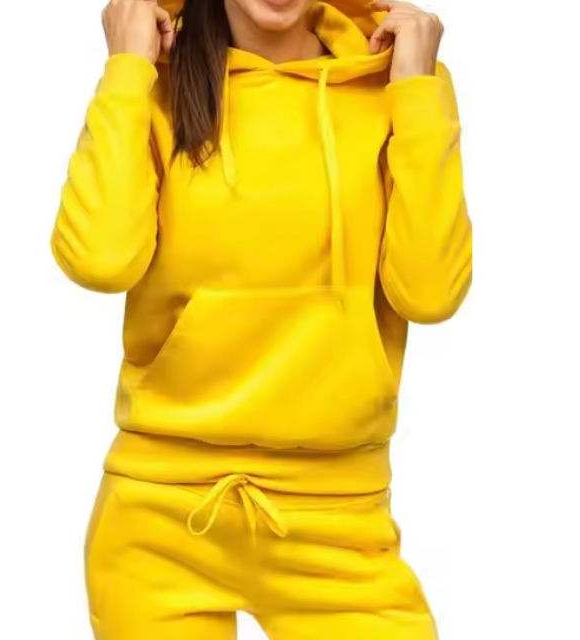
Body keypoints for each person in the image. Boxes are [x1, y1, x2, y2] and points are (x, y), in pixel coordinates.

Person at [50, 0, 472, 637]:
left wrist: (417, 91)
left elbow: (430, 292)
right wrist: (126, 70)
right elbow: (99, 260)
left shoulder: (392, 83)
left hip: (338, 522)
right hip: (159, 517)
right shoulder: (156, 81)